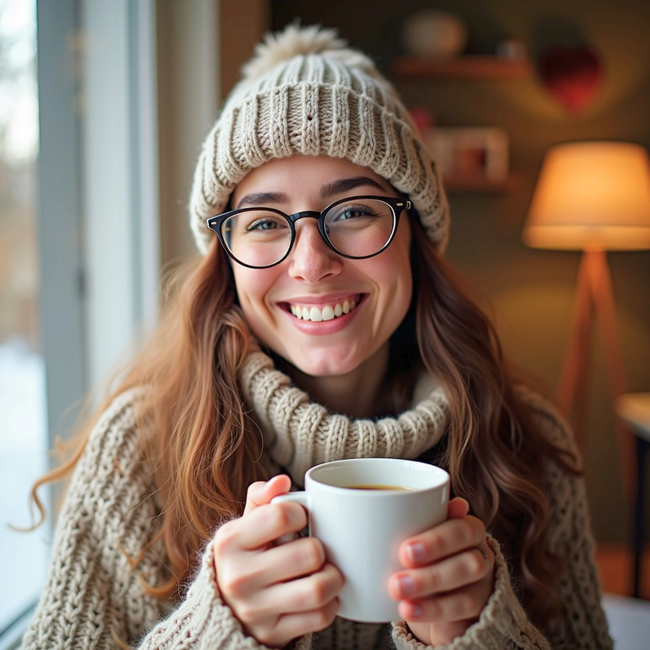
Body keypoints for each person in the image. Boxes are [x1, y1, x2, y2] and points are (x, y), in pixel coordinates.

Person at [22, 24, 613, 650]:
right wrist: (215, 635)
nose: (310, 263)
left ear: (416, 234)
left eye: (354, 211)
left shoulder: (528, 444)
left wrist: (485, 637)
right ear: (225, 256)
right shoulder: (137, 453)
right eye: (264, 222)